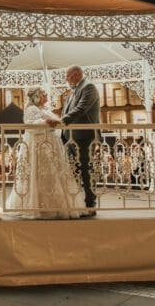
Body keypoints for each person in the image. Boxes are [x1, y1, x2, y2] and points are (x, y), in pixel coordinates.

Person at [6, 87, 85, 219]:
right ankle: (42, 206)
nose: (46, 95)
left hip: (49, 145)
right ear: (36, 96)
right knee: (43, 174)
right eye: (43, 94)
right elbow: (30, 124)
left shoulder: (44, 109)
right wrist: (46, 122)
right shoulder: (31, 109)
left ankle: (57, 205)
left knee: (54, 174)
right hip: (40, 147)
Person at [47, 65, 101, 216]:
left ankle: (91, 204)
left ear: (76, 74)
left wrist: (60, 121)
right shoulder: (72, 91)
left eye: (68, 76)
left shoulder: (89, 87)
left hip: (84, 136)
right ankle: (78, 203)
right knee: (74, 171)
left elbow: (81, 109)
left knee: (86, 170)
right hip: (70, 137)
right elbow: (67, 111)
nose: (66, 79)